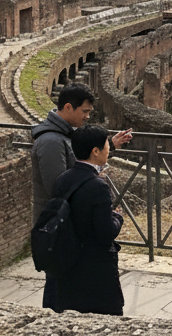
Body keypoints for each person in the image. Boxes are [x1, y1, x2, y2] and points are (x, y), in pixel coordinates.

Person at [31, 82, 131, 310]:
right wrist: (105, 205)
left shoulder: (64, 135)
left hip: (70, 225)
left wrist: (108, 146)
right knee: (57, 282)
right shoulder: (51, 141)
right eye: (84, 111)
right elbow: (60, 187)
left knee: (65, 283)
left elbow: (80, 162)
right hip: (60, 228)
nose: (87, 117)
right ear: (68, 107)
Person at [52, 126, 125, 316]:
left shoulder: (62, 179)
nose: (109, 148)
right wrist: (117, 216)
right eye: (107, 144)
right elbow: (106, 233)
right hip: (95, 268)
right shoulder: (98, 186)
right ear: (95, 151)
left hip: (68, 263)